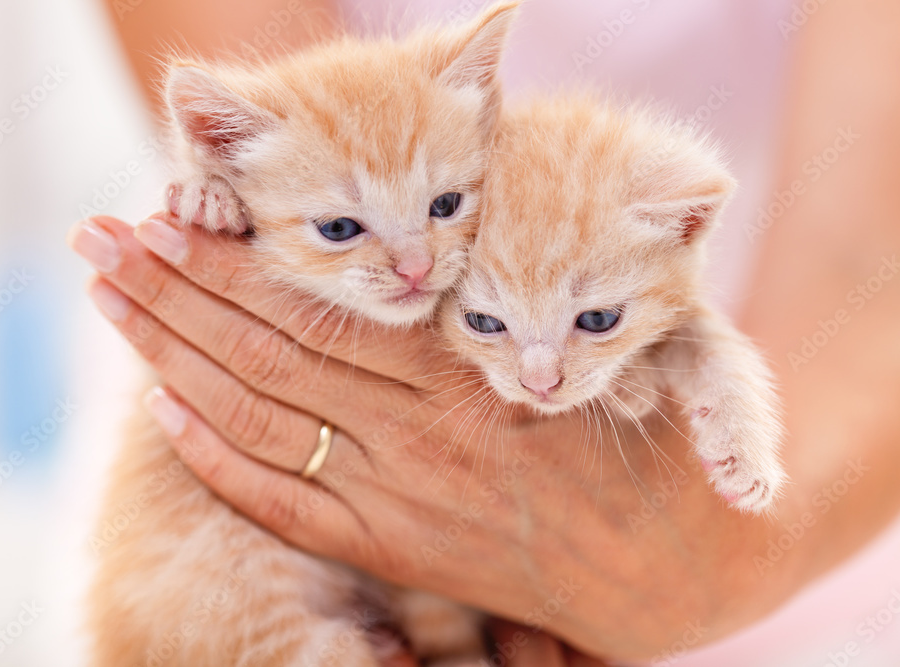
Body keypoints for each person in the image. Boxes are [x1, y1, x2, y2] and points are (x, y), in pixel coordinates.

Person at [72, 0, 900, 663]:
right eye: (346, 228)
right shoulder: (370, 208)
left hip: (806, 492)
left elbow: (863, 269)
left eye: (443, 208)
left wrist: (733, 562)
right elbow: (294, 130)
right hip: (291, 426)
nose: (410, 266)